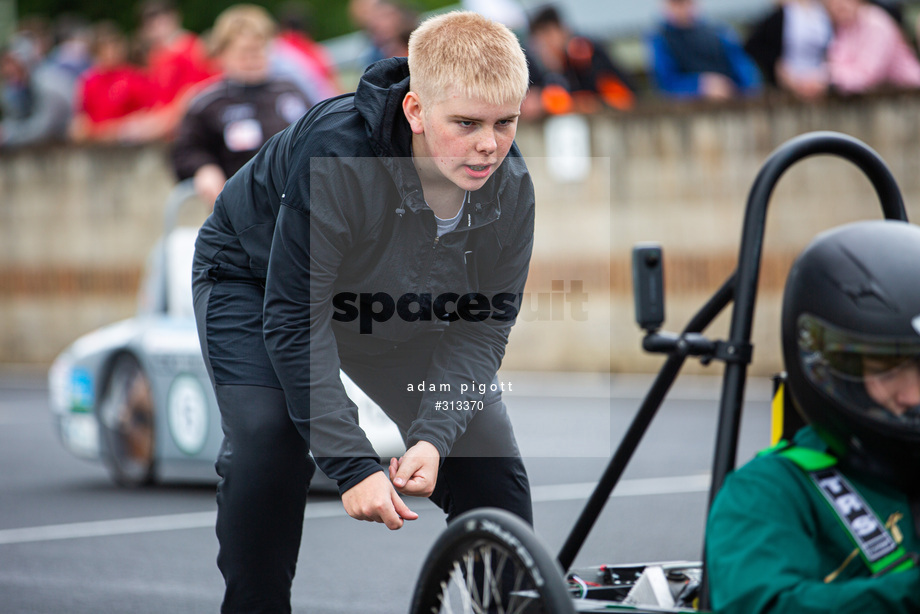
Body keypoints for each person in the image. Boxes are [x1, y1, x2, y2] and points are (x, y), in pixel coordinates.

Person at [191, 11, 534, 612]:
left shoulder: (510, 187)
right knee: (268, 442)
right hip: (256, 277)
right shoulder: (337, 154)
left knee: (485, 452)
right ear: (416, 112)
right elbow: (297, 320)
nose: (489, 144)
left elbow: (482, 327)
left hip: (387, 291)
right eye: (467, 123)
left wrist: (432, 435)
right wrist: (351, 464)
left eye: (506, 123)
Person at [706, 220, 920, 613]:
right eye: (885, 368)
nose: (913, 395)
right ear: (829, 366)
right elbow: (765, 606)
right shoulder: (767, 492)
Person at [171, 5, 311, 206]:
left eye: (259, 48)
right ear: (223, 53)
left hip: (297, 205)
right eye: (244, 51)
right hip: (241, 211)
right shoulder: (207, 103)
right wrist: (204, 168)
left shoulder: (290, 91)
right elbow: (185, 151)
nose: (253, 57)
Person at [526, 4, 635, 114]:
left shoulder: (586, 54)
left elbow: (618, 98)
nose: (545, 44)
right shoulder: (541, 68)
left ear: (563, 30)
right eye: (539, 38)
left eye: (548, 34)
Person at [647, 0, 762, 100]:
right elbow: (665, 84)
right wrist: (700, 85)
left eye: (687, 2)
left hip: (731, 101)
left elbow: (746, 73)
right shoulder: (660, 39)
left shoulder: (719, 32)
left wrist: (735, 89)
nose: (683, 8)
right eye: (676, 2)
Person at [70, 22, 155, 143]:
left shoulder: (135, 78)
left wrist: (115, 129)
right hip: (96, 145)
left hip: (127, 143)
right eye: (104, 49)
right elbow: (82, 118)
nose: (110, 53)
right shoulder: (88, 81)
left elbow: (147, 114)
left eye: (113, 47)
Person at [822, 0, 920, 94]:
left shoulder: (876, 23)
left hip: (911, 94)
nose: (840, 5)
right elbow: (836, 62)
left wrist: (829, 77)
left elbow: (866, 77)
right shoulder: (844, 26)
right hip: (885, 97)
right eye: (834, 3)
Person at [744, 0, 832, 100]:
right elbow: (752, 46)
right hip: (787, 87)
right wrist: (776, 66)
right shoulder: (781, 15)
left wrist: (825, 76)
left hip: (822, 84)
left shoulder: (825, 13)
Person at [0, 33, 74, 148]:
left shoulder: (47, 83)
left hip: (65, 146)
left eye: (12, 63)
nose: (7, 69)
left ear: (25, 61)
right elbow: (15, 117)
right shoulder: (18, 86)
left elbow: (43, 128)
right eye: (5, 63)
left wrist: (9, 135)